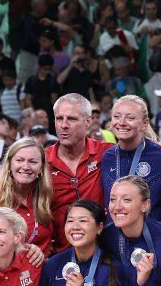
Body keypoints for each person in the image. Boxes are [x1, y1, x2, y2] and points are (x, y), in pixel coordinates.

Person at [100, 96, 161, 225]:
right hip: (115, 242)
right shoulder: (107, 157)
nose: (121, 122)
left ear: (144, 123)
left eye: (130, 118)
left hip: (154, 242)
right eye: (117, 116)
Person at [48, 94, 114, 246]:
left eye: (71, 119)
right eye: (59, 118)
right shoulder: (41, 160)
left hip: (104, 251)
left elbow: (142, 150)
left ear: (88, 122)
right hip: (60, 253)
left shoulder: (107, 153)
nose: (64, 125)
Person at [0, 138, 55, 255]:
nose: (25, 166)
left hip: (40, 270)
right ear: (9, 164)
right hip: (5, 270)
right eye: (19, 160)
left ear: (41, 167)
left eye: (33, 162)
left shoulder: (46, 195)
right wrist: (26, 249)